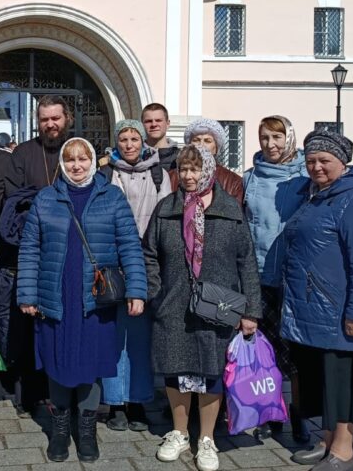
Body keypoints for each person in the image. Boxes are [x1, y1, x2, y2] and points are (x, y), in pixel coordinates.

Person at [17, 137, 147, 463]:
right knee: (58, 362)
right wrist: (28, 294)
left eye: (83, 159)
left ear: (93, 162)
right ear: (63, 163)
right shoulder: (46, 199)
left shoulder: (111, 197)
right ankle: (60, 429)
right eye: (71, 160)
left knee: (92, 363)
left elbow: (130, 245)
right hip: (55, 298)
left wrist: (136, 290)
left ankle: (87, 430)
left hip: (94, 302)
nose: (77, 166)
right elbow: (31, 250)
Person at [144, 144, 261, 471]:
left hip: (218, 307)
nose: (189, 176)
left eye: (195, 169)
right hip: (175, 305)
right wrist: (155, 291)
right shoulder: (167, 208)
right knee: (177, 370)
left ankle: (206, 438)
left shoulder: (229, 209)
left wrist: (250, 311)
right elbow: (149, 254)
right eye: (184, 169)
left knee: (210, 371)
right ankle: (179, 432)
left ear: (209, 169)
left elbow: (247, 262)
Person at [279, 130, 353, 471]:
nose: (317, 167)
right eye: (310, 161)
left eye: (325, 161)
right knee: (320, 380)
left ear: (343, 162)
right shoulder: (317, 195)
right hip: (312, 307)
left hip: (338, 310)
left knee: (340, 382)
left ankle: (344, 451)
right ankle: (325, 441)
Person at [2, 95, 74, 416]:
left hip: (69, 253)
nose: (50, 124)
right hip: (31, 252)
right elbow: (15, 197)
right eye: (44, 119)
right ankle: (30, 395)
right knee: (29, 325)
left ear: (66, 119)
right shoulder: (23, 153)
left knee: (65, 324)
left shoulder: (76, 152)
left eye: (55, 118)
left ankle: (66, 390)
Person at [97, 120, 169, 431]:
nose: (128, 144)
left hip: (146, 261)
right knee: (115, 336)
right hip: (114, 262)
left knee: (140, 337)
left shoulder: (159, 173)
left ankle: (139, 400)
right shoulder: (106, 173)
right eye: (123, 139)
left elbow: (165, 217)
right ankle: (115, 403)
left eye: (134, 138)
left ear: (143, 142)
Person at [241, 115, 310, 442]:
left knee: (294, 353)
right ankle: (270, 410)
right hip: (259, 275)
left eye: (277, 138)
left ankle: (300, 416)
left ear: (290, 139)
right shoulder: (250, 177)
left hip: (293, 277)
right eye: (265, 137)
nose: (270, 144)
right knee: (265, 352)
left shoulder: (305, 177)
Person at [181, 118, 244, 202]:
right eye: (196, 140)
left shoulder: (233, 182)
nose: (201, 145)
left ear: (216, 148)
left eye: (207, 141)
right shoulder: (173, 177)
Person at [141, 103, 182, 171]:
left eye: (158, 120)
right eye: (148, 121)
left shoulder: (181, 157)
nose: (154, 124)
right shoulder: (134, 157)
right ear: (142, 125)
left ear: (168, 123)